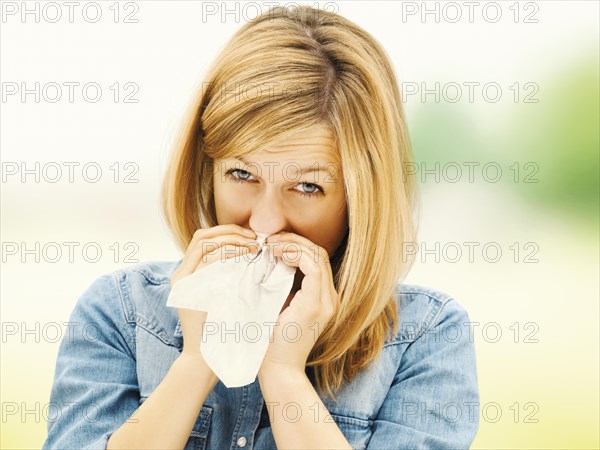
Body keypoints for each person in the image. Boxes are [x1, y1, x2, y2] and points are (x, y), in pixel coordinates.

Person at [43, 5, 480, 449]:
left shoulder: (426, 337)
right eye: (242, 175)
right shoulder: (119, 313)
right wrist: (196, 362)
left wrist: (284, 376)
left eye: (307, 186)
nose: (266, 223)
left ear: (360, 196)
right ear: (206, 170)